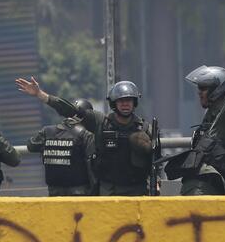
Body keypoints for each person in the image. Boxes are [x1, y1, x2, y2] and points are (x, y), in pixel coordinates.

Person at [15, 77, 153, 196]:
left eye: (129, 100)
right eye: (121, 101)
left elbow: (154, 160)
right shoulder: (101, 122)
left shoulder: (145, 128)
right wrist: (41, 95)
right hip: (109, 190)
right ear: (114, 103)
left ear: (134, 103)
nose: (125, 104)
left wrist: (156, 181)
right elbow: (71, 110)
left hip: (138, 189)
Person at [26, 99, 96, 196]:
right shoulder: (85, 135)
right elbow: (92, 166)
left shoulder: (47, 132)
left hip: (54, 191)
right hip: (80, 191)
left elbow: (31, 146)